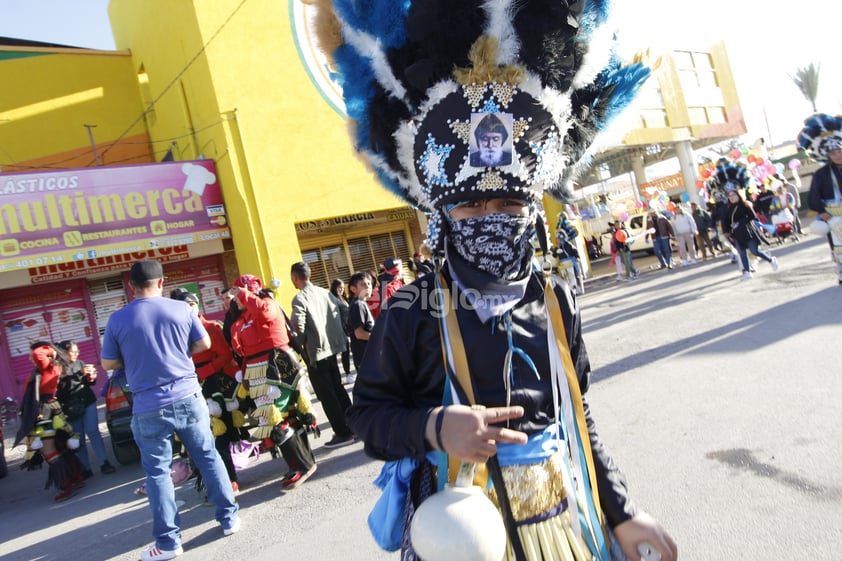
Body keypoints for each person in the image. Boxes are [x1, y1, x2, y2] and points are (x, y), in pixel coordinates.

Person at [320, 3, 677, 557]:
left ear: (534, 209)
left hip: (562, 517)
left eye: (509, 201)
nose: (490, 215)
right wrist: (436, 429)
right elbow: (368, 418)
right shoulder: (411, 309)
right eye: (470, 205)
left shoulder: (555, 297)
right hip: (455, 531)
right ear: (440, 216)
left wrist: (623, 513)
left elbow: (577, 414)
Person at [101, 259, 239, 561]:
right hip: (188, 395)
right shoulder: (181, 309)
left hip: (148, 405)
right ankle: (229, 518)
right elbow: (202, 343)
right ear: (162, 282)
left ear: (131, 286)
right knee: (207, 455)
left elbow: (108, 364)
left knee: (158, 473)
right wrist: (176, 351)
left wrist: (135, 358)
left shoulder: (117, 320)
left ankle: (168, 543)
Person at [227, 274, 319, 489]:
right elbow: (241, 348)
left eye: (238, 292)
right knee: (281, 416)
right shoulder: (242, 317)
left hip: (277, 365)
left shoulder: (267, 304)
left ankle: (302, 465)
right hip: (257, 371)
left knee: (278, 416)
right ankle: (302, 461)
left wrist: (244, 293)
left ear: (250, 290)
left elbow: (263, 313)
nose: (235, 297)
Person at [169, 288, 243, 495]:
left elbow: (225, 354)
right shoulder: (176, 334)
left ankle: (231, 480)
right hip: (188, 388)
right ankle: (210, 481)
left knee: (220, 435)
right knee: (198, 439)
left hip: (213, 385)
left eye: (192, 304)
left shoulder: (209, 327)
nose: (190, 309)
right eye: (185, 306)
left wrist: (204, 371)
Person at [290, 262, 356, 449]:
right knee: (338, 388)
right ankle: (353, 426)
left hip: (316, 352)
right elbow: (344, 309)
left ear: (295, 278)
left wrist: (299, 344)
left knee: (327, 395)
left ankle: (343, 433)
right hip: (333, 347)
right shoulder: (324, 292)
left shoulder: (300, 299)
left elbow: (298, 326)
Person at [14, 341, 86, 502]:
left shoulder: (47, 366)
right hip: (52, 409)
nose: (30, 358)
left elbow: (37, 354)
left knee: (49, 452)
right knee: (62, 447)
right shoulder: (54, 366)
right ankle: (76, 478)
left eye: (30, 353)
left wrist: (47, 348)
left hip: (45, 412)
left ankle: (67, 485)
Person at [55, 340, 116, 479]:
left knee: (94, 432)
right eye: (73, 352)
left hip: (87, 401)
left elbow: (88, 382)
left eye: (77, 351)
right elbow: (63, 388)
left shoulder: (80, 363)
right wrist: (79, 375)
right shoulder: (58, 368)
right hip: (71, 407)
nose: (76, 354)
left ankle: (104, 462)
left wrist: (91, 377)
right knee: (79, 437)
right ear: (64, 353)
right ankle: (85, 468)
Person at [800, 113, 842, 284]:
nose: (838, 155)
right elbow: (814, 198)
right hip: (834, 216)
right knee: (839, 245)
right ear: (827, 155)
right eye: (833, 153)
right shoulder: (821, 174)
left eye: (839, 151)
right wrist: (823, 212)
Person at [722, 190, 779, 280]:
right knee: (742, 253)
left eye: (733, 195)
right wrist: (727, 233)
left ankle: (771, 260)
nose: (731, 197)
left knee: (754, 251)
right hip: (736, 234)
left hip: (748, 231)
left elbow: (753, 217)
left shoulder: (745, 205)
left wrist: (742, 221)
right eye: (729, 196)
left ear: (738, 196)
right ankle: (747, 272)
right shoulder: (728, 209)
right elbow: (725, 222)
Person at [346, 271, 375, 371]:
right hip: (366, 358)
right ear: (353, 289)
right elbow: (360, 334)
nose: (368, 287)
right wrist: (380, 336)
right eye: (363, 284)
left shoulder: (361, 303)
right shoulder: (358, 305)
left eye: (369, 283)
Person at [330, 278, 353, 382]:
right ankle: (337, 377)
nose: (342, 290)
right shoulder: (332, 299)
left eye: (343, 288)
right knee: (335, 354)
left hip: (346, 329)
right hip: (337, 329)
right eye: (339, 288)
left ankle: (348, 373)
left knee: (346, 352)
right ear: (334, 288)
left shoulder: (344, 298)